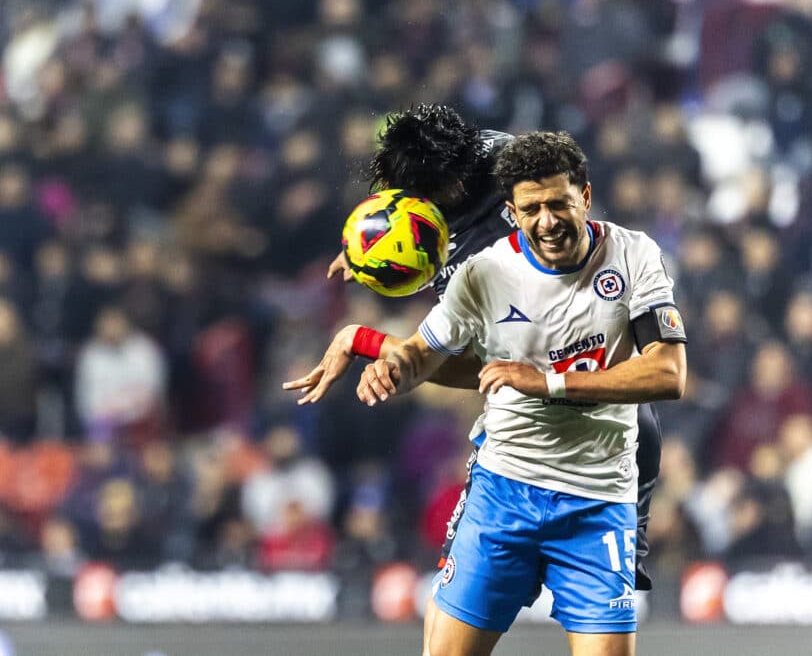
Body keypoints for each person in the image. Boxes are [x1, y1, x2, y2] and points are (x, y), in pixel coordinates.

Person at [281, 105, 664, 645]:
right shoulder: (435, 194)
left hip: (584, 445)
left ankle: (629, 541)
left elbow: (498, 371)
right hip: (516, 470)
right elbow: (442, 360)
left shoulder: (500, 225)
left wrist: (375, 342)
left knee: (623, 411)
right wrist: (371, 252)